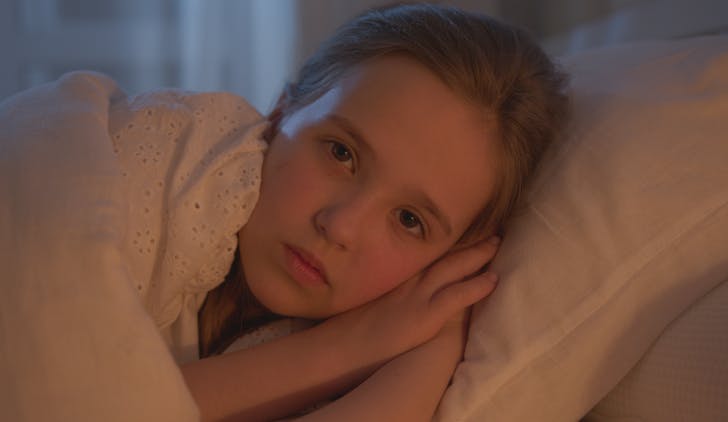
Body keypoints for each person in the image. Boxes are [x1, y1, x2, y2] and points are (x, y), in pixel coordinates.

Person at [1, 3, 567, 421]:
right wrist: (344, 349)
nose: (340, 226)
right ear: (279, 111)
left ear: (455, 258)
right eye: (341, 153)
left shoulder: (360, 321)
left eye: (410, 221)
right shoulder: (174, 159)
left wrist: (440, 340)